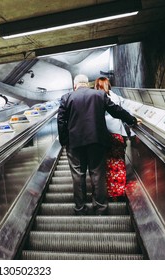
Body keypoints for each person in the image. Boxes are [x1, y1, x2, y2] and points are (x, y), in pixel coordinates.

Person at [57, 74, 139, 215]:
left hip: (75, 143)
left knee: (78, 175)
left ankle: (80, 208)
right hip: (96, 141)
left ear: (74, 85)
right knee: (97, 174)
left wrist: (64, 141)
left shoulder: (67, 98)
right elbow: (116, 110)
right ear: (86, 84)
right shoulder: (99, 95)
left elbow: (61, 121)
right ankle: (100, 208)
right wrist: (132, 120)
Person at [94, 77, 129, 200]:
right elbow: (122, 112)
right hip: (116, 135)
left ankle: (107, 192)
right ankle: (118, 192)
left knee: (104, 166)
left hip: (101, 137)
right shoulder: (116, 98)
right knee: (118, 163)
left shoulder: (96, 98)